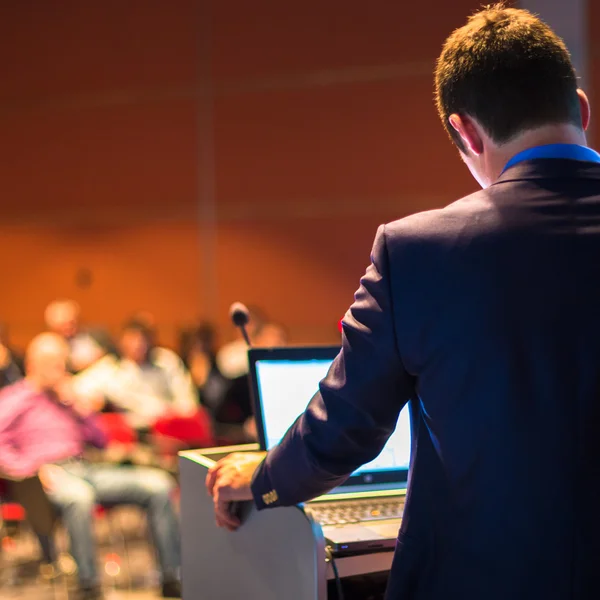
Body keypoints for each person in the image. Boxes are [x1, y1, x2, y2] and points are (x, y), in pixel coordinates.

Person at [207, 6, 600, 600]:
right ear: (582, 110)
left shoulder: (419, 251)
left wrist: (260, 481)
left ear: (465, 131)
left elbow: (345, 427)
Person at [0, 333, 181, 599]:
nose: (60, 369)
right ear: (32, 364)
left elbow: (101, 441)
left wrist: (78, 407)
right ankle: (89, 586)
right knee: (79, 498)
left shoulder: (67, 398)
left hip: (86, 468)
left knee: (158, 486)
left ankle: (173, 577)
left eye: (63, 362)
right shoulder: (14, 398)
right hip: (45, 475)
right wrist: (31, 469)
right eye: (53, 362)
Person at [103, 319, 199, 433]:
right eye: (132, 339)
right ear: (122, 342)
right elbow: (82, 389)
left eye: (142, 339)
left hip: (174, 427)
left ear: (151, 340)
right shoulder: (111, 369)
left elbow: (188, 401)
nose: (138, 344)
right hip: (137, 432)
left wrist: (174, 415)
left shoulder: (166, 360)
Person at [44, 300, 106, 372]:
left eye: (71, 323)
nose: (68, 328)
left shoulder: (98, 334)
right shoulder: (49, 347)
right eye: (62, 326)